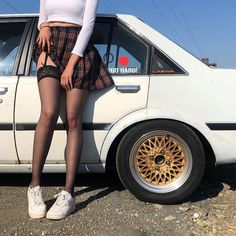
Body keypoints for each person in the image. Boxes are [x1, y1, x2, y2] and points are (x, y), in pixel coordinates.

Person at [28, 0, 114, 220]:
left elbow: (88, 26)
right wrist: (44, 26)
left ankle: (68, 193)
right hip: (50, 45)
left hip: (79, 50)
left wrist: (71, 64)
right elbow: (42, 16)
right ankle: (34, 187)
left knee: (73, 120)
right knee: (48, 113)